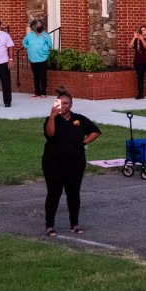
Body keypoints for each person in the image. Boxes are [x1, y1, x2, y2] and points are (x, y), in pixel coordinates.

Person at [42, 88, 100, 237]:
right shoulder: (51, 119)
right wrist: (52, 116)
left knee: (73, 193)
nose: (63, 106)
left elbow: (95, 131)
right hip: (53, 162)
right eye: (60, 103)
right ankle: (50, 225)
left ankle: (74, 223)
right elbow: (50, 134)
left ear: (71, 105)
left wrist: (84, 142)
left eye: (66, 103)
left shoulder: (79, 119)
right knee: (54, 193)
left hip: (75, 162)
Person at [22, 20, 53, 98]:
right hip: (33, 58)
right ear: (34, 27)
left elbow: (50, 45)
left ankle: (43, 92)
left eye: (40, 25)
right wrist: (28, 47)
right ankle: (37, 92)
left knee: (43, 75)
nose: (39, 27)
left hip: (43, 58)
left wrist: (46, 51)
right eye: (37, 25)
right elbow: (24, 42)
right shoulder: (30, 35)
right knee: (36, 76)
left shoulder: (46, 35)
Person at [131, 26, 146, 99]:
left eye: (144, 30)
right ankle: (140, 94)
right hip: (139, 62)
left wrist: (142, 39)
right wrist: (134, 38)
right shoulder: (137, 40)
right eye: (141, 30)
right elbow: (130, 46)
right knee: (140, 78)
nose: (143, 31)